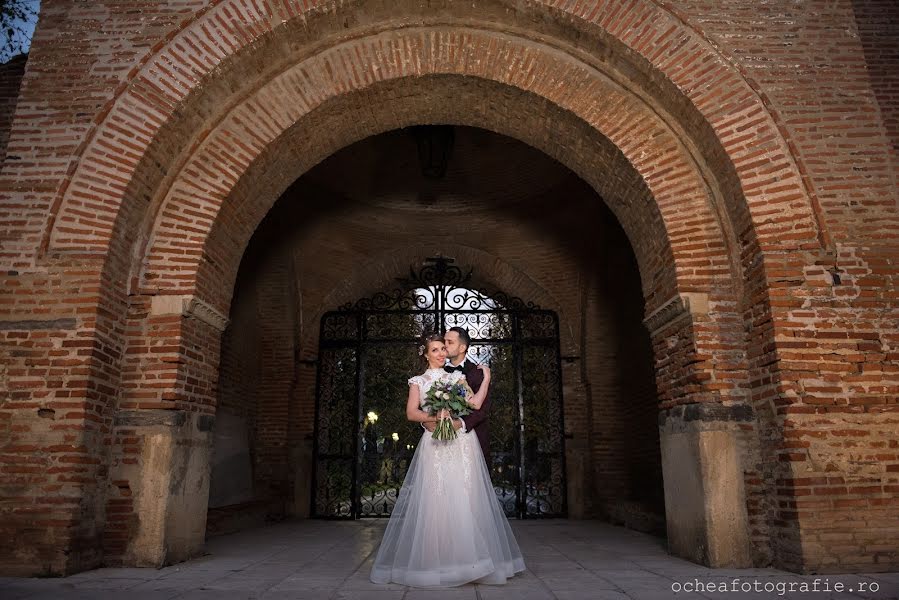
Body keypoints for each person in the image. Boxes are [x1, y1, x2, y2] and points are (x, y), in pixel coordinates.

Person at [369, 333, 525, 587]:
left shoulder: (457, 377)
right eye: (436, 350)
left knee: (465, 497)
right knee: (436, 499)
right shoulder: (418, 381)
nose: (442, 353)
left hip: (463, 445)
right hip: (434, 445)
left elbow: (474, 403)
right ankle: (437, 561)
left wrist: (486, 379)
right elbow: (411, 413)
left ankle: (471, 561)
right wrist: (434, 419)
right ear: (426, 354)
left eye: (444, 348)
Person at [423, 327, 491, 465]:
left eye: (450, 342)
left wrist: (460, 423)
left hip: (470, 440)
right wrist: (426, 421)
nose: (445, 345)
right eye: (444, 341)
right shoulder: (437, 371)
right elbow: (425, 403)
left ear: (462, 348)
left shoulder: (478, 373)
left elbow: (483, 409)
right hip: (439, 441)